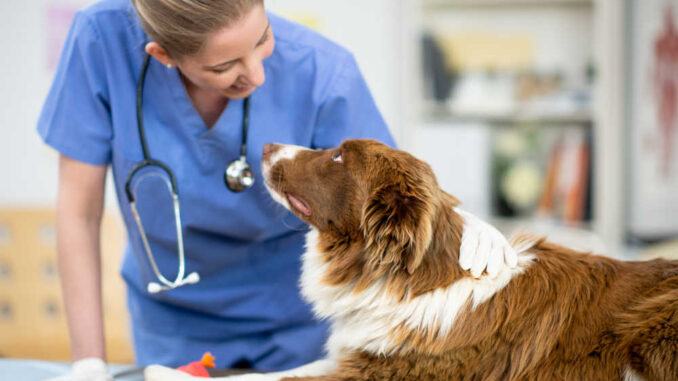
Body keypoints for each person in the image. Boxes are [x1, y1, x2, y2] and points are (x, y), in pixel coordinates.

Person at [39, 0, 517, 380]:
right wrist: (88, 364)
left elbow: (390, 192)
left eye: (263, 37)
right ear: (163, 55)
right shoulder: (99, 41)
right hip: (174, 322)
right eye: (226, 65)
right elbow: (78, 214)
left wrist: (459, 225)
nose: (258, 74)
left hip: (299, 322)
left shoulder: (322, 71)